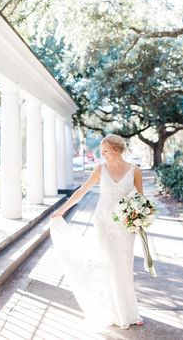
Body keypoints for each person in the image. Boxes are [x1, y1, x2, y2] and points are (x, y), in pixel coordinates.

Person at [50, 134, 144, 330]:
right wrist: (62, 210)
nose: (103, 155)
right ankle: (112, 311)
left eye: (105, 151)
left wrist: (140, 220)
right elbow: (81, 191)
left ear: (116, 150)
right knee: (108, 265)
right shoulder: (100, 169)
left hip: (125, 225)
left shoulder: (135, 171)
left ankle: (130, 311)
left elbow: (140, 199)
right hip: (103, 222)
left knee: (124, 266)